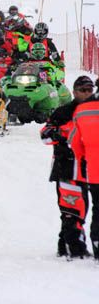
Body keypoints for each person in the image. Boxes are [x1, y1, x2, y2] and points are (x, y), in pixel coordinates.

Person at [41, 76, 95, 258]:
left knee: (84, 208)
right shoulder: (63, 112)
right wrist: (62, 135)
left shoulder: (94, 110)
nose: (87, 94)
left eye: (90, 90)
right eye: (83, 90)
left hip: (89, 169)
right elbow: (45, 135)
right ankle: (74, 248)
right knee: (72, 210)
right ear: (74, 91)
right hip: (66, 167)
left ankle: (65, 246)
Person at [69, 78, 99, 259]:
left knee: (98, 208)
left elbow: (74, 141)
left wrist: (84, 159)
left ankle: (97, 242)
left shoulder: (82, 110)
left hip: (94, 171)